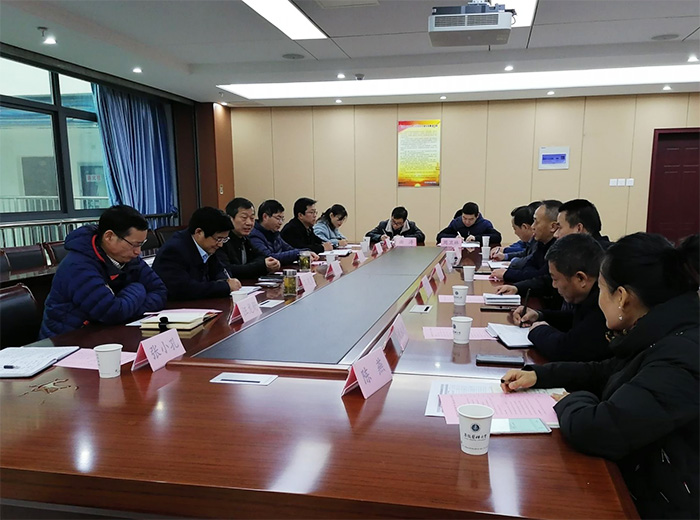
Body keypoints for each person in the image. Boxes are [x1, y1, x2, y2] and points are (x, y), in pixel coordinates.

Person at [501, 233, 699, 519]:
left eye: (602, 291)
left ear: (622, 298)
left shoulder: (680, 355)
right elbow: (604, 370)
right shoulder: (658, 334)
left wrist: (569, 399)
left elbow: (598, 429)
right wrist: (539, 376)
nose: (599, 300)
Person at [40, 205, 167, 338]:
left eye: (141, 244)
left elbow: (160, 291)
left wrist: (127, 311)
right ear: (109, 237)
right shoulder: (78, 266)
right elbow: (112, 312)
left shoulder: (129, 258)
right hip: (67, 340)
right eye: (134, 244)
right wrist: (139, 288)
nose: (138, 252)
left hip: (105, 333)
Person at [512, 233, 611, 361]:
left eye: (555, 279)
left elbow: (566, 349)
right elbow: (575, 319)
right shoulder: (594, 293)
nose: (553, 285)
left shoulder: (603, 305)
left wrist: (538, 330)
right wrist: (539, 315)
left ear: (580, 278)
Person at [497, 199, 610, 299]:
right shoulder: (576, 250)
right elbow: (546, 278)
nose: (556, 234)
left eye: (559, 227)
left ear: (578, 228)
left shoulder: (604, 261)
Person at [152, 207, 242, 300]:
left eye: (224, 239)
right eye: (218, 239)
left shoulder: (207, 246)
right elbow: (183, 289)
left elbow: (219, 270)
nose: (220, 244)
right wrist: (225, 286)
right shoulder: (174, 251)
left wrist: (225, 280)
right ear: (199, 232)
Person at [491, 200, 560, 283]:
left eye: (536, 222)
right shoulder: (542, 243)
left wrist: (508, 274)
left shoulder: (558, 249)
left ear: (553, 226)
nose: (532, 226)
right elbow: (529, 265)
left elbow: (542, 277)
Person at [217, 197, 280, 279]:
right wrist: (261, 265)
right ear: (230, 218)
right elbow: (228, 270)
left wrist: (268, 263)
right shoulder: (222, 241)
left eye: (252, 218)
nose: (249, 223)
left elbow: (261, 257)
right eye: (244, 218)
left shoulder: (245, 239)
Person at [249, 199, 320, 265]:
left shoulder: (274, 233)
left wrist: (305, 252)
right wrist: (298, 253)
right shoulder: (254, 235)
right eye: (278, 218)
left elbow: (289, 249)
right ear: (265, 217)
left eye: (282, 219)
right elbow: (270, 258)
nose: (280, 222)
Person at [436, 202, 501, 244]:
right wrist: (455, 238)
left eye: (471, 219)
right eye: (464, 218)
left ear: (477, 216)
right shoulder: (456, 223)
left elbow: (497, 237)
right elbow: (439, 236)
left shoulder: (484, 224)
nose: (467, 222)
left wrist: (476, 238)